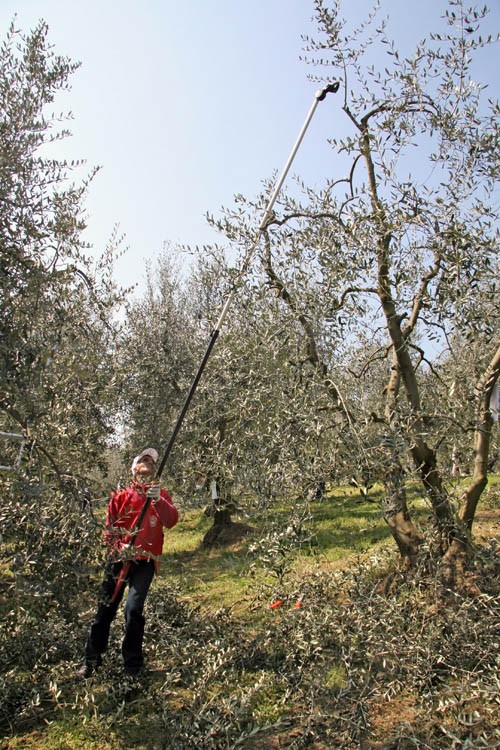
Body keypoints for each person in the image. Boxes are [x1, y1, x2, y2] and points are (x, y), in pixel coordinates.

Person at [79, 447, 178, 678]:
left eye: (152, 462)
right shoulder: (121, 495)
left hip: (145, 562)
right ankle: (91, 660)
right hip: (119, 560)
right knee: (105, 608)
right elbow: (109, 531)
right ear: (134, 469)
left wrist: (159, 501)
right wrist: (120, 547)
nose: (148, 464)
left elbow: (172, 520)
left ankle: (132, 666)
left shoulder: (161, 494)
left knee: (134, 610)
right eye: (143, 460)